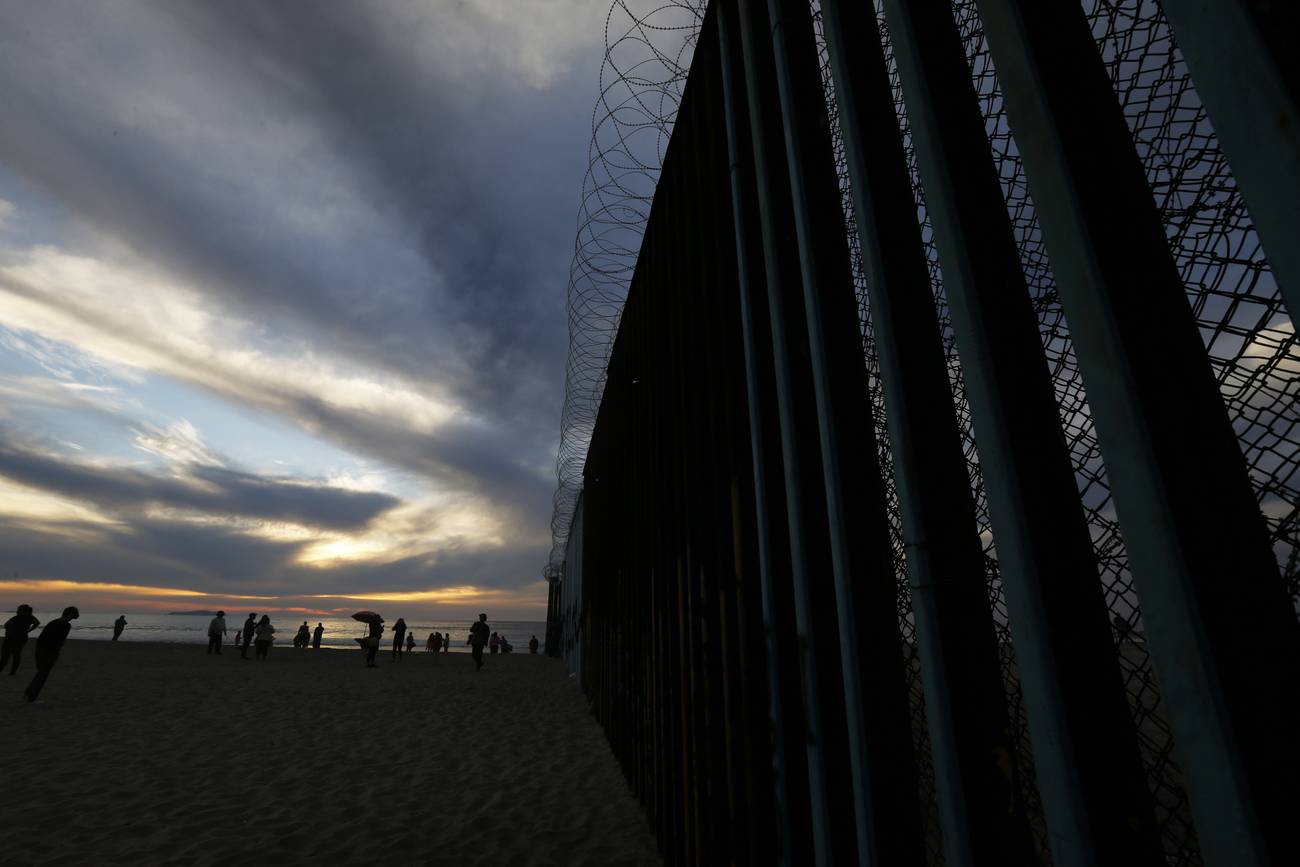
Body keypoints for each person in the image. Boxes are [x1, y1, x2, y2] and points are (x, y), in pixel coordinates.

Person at [24, 606, 78, 702]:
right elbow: (60, 640)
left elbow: (42, 637)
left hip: (40, 649)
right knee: (43, 674)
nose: (71, 619)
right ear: (70, 615)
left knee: (41, 673)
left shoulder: (53, 622)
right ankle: (31, 696)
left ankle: (28, 692)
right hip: (50, 651)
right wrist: (56, 650)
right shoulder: (66, 625)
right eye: (72, 617)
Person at [2, 605, 40, 675]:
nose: (17, 611)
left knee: (6, 656)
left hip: (11, 638)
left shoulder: (16, 618)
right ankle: (12, 672)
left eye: (19, 610)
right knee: (16, 654)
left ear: (22, 611)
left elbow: (6, 625)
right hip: (22, 638)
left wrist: (9, 630)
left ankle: (5, 670)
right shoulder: (30, 618)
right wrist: (29, 630)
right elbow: (37, 623)